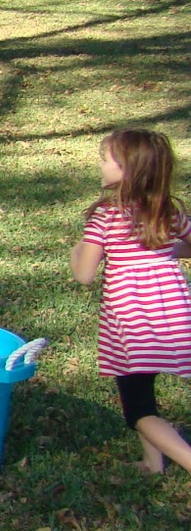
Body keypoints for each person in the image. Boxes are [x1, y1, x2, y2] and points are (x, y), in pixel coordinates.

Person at [70, 129, 191, 474]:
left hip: (133, 318)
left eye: (106, 159)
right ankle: (153, 462)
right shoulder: (166, 211)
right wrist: (165, 252)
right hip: (170, 313)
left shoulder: (106, 216)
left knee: (138, 410)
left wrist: (75, 252)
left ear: (127, 169)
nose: (100, 165)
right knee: (140, 385)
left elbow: (84, 274)